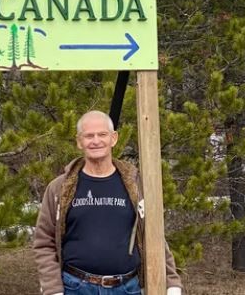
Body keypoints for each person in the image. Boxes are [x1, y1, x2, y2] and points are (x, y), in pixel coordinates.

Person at [32, 110, 183, 295]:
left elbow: (154, 235)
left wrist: (171, 281)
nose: (96, 141)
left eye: (102, 134)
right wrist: (52, 288)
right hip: (75, 287)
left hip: (128, 288)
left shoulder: (136, 186)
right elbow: (43, 242)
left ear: (114, 138)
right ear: (79, 142)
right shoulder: (60, 188)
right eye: (89, 136)